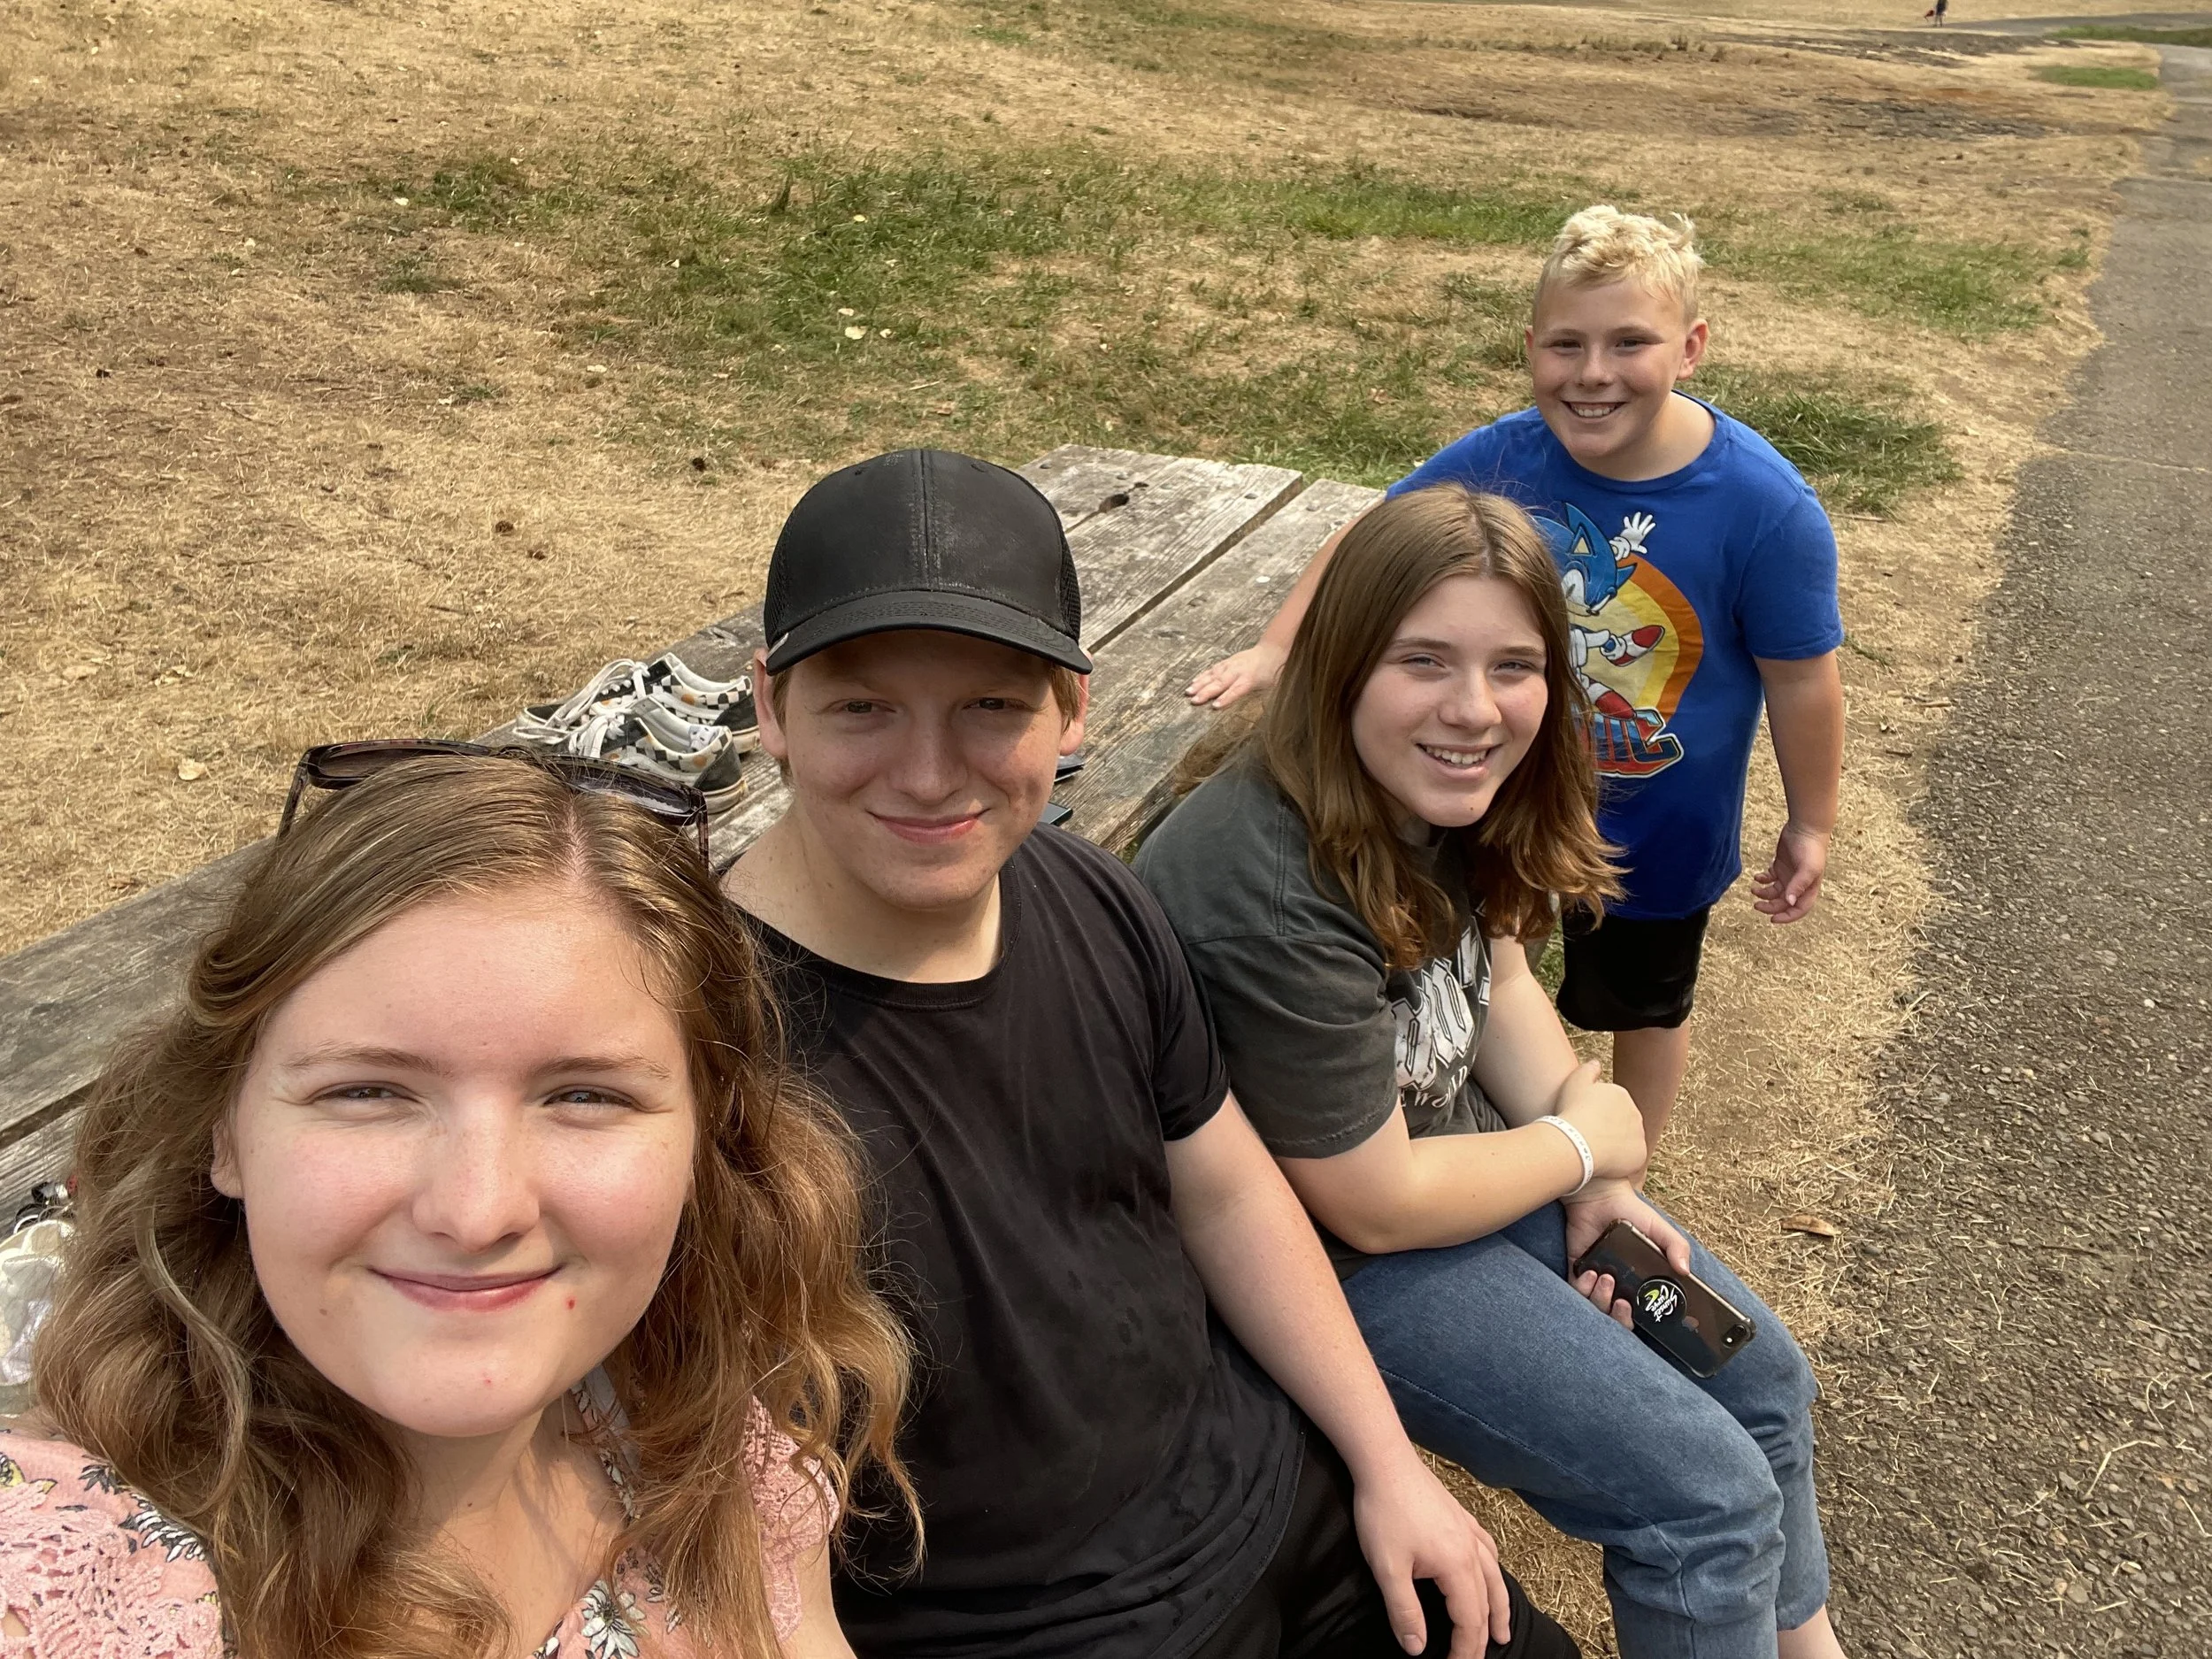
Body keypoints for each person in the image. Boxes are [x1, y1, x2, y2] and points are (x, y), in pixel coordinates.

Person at [722, 449, 1578, 1659]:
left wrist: (1388, 1464)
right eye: (862, 706)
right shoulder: (701, 1034)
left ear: (1072, 709)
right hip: (1033, 1622)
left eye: (991, 706)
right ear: (769, 706)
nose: (926, 772)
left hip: (1279, 1504)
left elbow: (1227, 1188)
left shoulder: (1086, 895)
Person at [1139, 485, 1847, 1659]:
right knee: (1700, 1497)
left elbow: (1501, 981)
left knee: (1756, 1378)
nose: (1475, 708)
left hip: (1470, 1170)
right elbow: (1374, 1199)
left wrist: (1587, 1162)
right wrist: (1580, 1143)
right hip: (1330, 1259)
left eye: (1514, 665)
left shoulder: (1447, 782)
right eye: (1424, 660)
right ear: (1339, 665)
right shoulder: (1266, 887)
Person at [4, 747, 910, 1658]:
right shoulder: (52, 1581)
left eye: (585, 1096)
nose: (477, 1213)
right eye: (367, 1093)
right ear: (225, 1134)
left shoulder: (714, 1457)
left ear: (701, 1146)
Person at [1185, 206, 1846, 1156]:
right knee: (1494, 967)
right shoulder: (1503, 454)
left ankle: (1626, 1170)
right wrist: (1277, 649)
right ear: (1529, 345)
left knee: (1645, 1006)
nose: (1592, 373)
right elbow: (1371, 542)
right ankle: (1497, 1121)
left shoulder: (1766, 508)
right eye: (1566, 344)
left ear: (1692, 347)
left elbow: (1802, 683)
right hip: (1499, 799)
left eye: (1630, 342)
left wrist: (1810, 819)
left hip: (1654, 830)